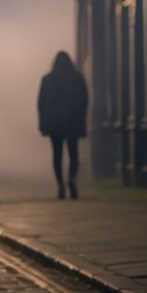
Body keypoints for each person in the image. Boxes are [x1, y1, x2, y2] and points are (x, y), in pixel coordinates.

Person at [37, 51, 89, 200]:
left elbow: (41, 103)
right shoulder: (78, 78)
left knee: (57, 155)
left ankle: (60, 184)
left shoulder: (47, 79)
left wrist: (43, 124)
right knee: (74, 154)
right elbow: (84, 101)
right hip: (72, 122)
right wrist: (81, 119)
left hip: (54, 123)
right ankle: (72, 178)